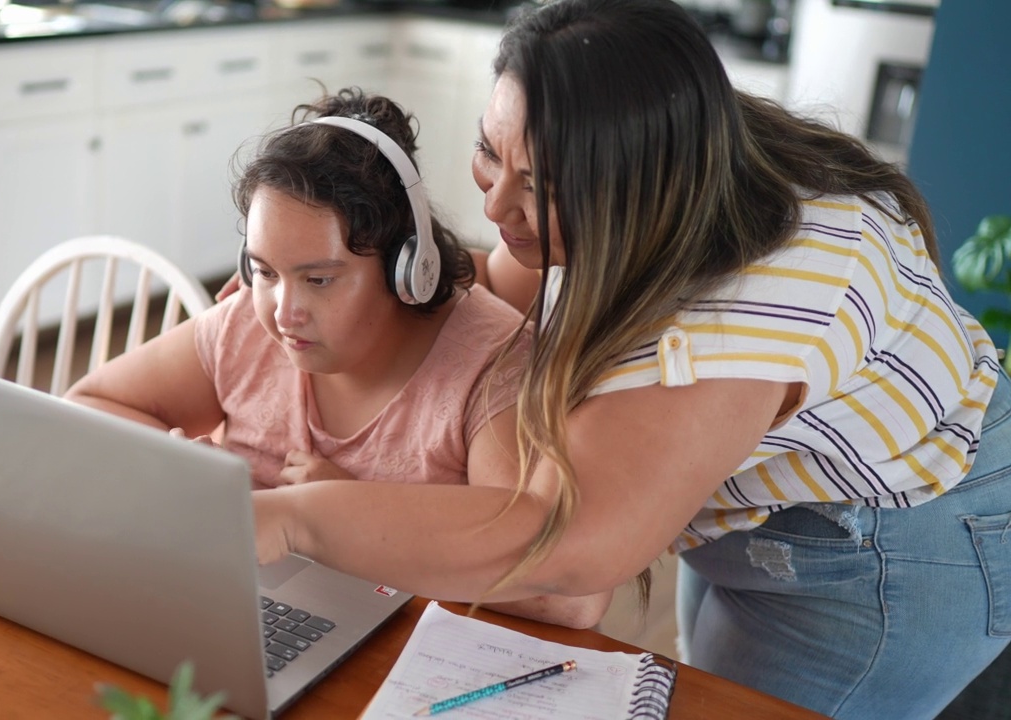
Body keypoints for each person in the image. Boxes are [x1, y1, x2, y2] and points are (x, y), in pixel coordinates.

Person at [248, 2, 1011, 718]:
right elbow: (499, 286)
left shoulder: (745, 314)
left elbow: (564, 543)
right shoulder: (646, 151)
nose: (492, 207)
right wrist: (326, 280)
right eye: (489, 150)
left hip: (888, 549)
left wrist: (293, 521)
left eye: (537, 186)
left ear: (636, 192)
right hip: (756, 510)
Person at [65, 88, 612, 629]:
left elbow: (562, 596)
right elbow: (88, 405)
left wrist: (340, 517)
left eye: (319, 279)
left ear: (408, 269)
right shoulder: (247, 326)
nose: (284, 312)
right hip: (240, 616)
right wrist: (177, 469)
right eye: (265, 270)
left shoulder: (492, 367)